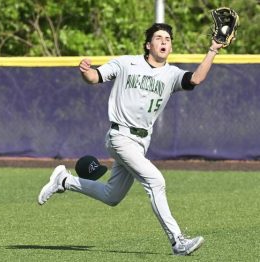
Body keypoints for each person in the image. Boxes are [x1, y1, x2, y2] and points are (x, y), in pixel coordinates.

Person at [38, 23, 223, 256]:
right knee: (156, 181)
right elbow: (95, 77)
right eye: (158, 37)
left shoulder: (172, 74)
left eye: (168, 38)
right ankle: (178, 242)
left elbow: (195, 79)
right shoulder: (127, 63)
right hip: (120, 136)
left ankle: (64, 181)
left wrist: (213, 49)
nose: (165, 41)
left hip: (141, 143)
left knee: (112, 196)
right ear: (148, 45)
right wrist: (86, 71)